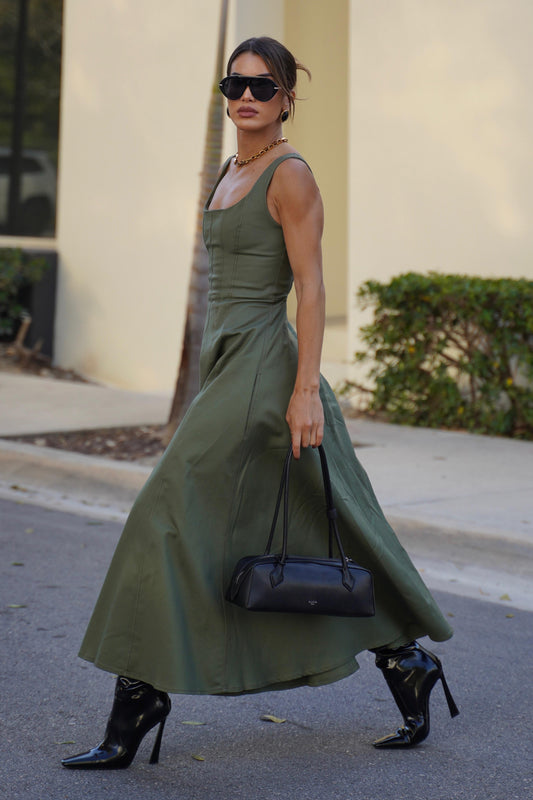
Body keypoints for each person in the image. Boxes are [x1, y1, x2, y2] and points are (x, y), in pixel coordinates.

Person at [61, 36, 458, 771]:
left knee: (163, 511)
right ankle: (406, 664)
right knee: (321, 526)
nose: (246, 96)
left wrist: (305, 391)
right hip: (227, 365)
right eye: (234, 83)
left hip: (266, 372)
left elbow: (310, 289)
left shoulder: (289, 174)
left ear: (286, 99)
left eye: (262, 86)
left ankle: (137, 699)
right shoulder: (231, 166)